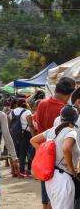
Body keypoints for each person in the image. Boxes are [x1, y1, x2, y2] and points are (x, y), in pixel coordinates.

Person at [35, 76, 76, 209]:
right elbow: (65, 145)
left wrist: (41, 150)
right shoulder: (64, 110)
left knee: (47, 198)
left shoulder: (41, 104)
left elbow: (36, 129)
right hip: (59, 164)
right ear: (69, 94)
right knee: (58, 201)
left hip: (45, 159)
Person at [31, 105, 80, 209]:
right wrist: (72, 169)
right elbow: (66, 148)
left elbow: (33, 141)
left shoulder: (52, 130)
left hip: (51, 178)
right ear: (76, 118)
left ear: (61, 117)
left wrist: (46, 156)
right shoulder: (71, 132)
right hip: (64, 178)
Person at [9, 98, 34, 177]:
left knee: (17, 153)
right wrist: (34, 136)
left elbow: (9, 125)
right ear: (25, 103)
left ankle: (15, 171)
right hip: (25, 134)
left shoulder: (12, 112)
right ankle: (23, 171)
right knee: (26, 152)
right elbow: (30, 125)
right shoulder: (27, 112)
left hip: (15, 134)